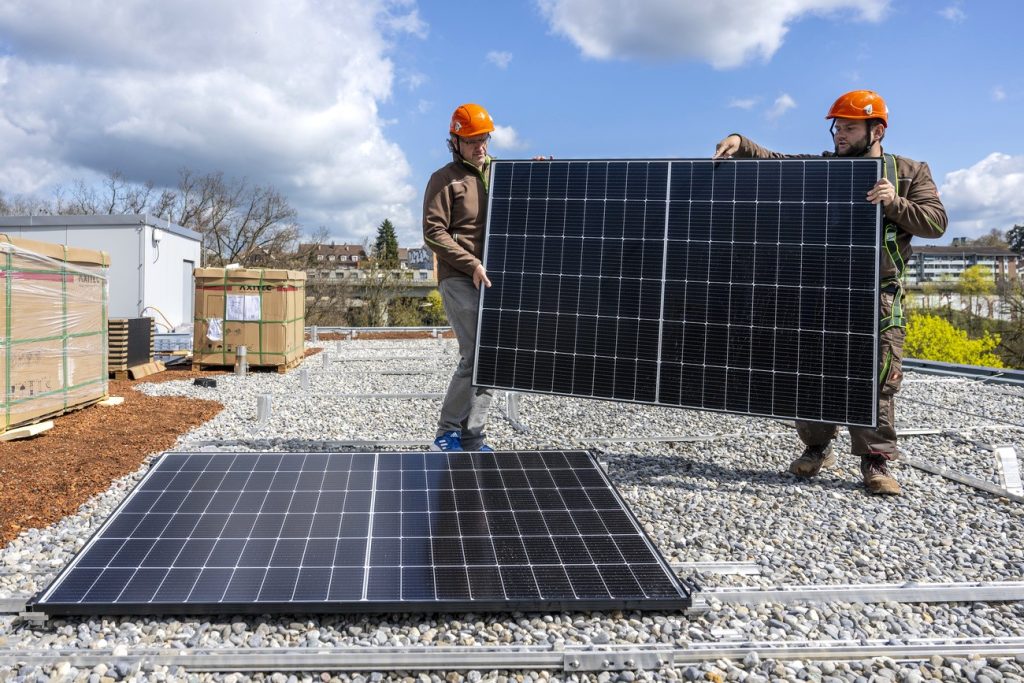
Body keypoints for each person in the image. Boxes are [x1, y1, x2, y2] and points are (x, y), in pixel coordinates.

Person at [713, 90, 948, 495]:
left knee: (876, 376)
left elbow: (936, 222)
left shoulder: (909, 172)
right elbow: (778, 164)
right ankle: (817, 447)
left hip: (877, 295)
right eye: (837, 126)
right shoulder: (825, 170)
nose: (839, 133)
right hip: (822, 291)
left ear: (876, 130)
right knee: (813, 368)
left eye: (849, 126)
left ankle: (875, 462)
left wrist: (894, 204)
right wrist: (742, 142)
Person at [423, 103, 497, 452]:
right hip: (458, 277)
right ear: (455, 141)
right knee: (475, 353)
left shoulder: (501, 173)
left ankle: (473, 436)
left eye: (483, 139)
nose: (479, 146)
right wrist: (471, 264)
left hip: (493, 278)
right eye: (471, 141)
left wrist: (539, 177)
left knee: (493, 356)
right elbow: (433, 233)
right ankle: (447, 430)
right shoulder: (444, 180)